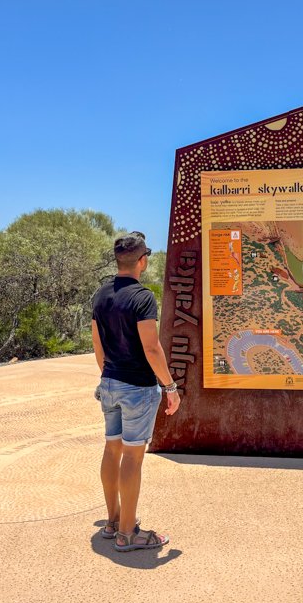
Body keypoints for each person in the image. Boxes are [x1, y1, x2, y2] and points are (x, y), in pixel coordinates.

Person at [92, 231, 180, 551]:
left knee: (112, 449)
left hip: (110, 383)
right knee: (132, 456)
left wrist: (108, 377)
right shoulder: (143, 297)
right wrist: (170, 386)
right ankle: (128, 534)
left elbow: (97, 344)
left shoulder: (100, 295)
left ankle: (114, 520)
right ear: (142, 261)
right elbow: (152, 348)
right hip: (137, 389)